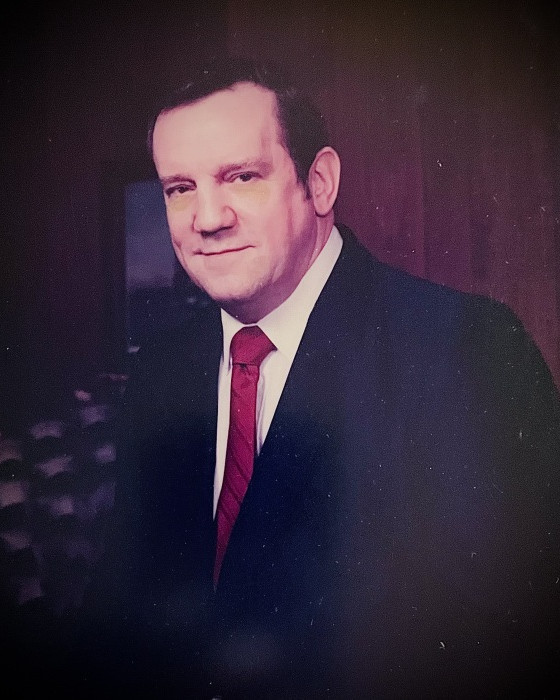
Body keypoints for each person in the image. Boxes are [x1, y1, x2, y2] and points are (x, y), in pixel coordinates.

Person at [73, 59, 560, 697]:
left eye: (241, 177)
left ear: (320, 182)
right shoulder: (160, 372)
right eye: (179, 188)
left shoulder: (467, 349)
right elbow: (123, 616)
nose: (207, 218)